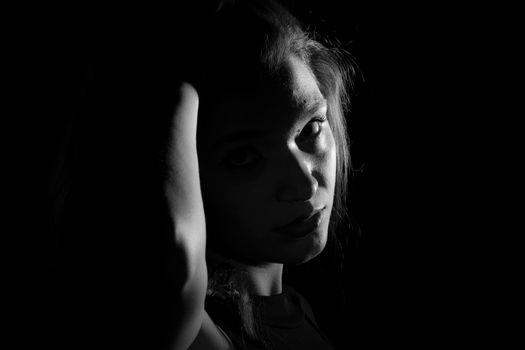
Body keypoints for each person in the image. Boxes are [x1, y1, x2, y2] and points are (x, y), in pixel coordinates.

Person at [45, 0, 355, 349]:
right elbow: (177, 277)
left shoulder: (297, 309)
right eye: (243, 157)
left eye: (310, 129)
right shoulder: (199, 333)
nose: (304, 184)